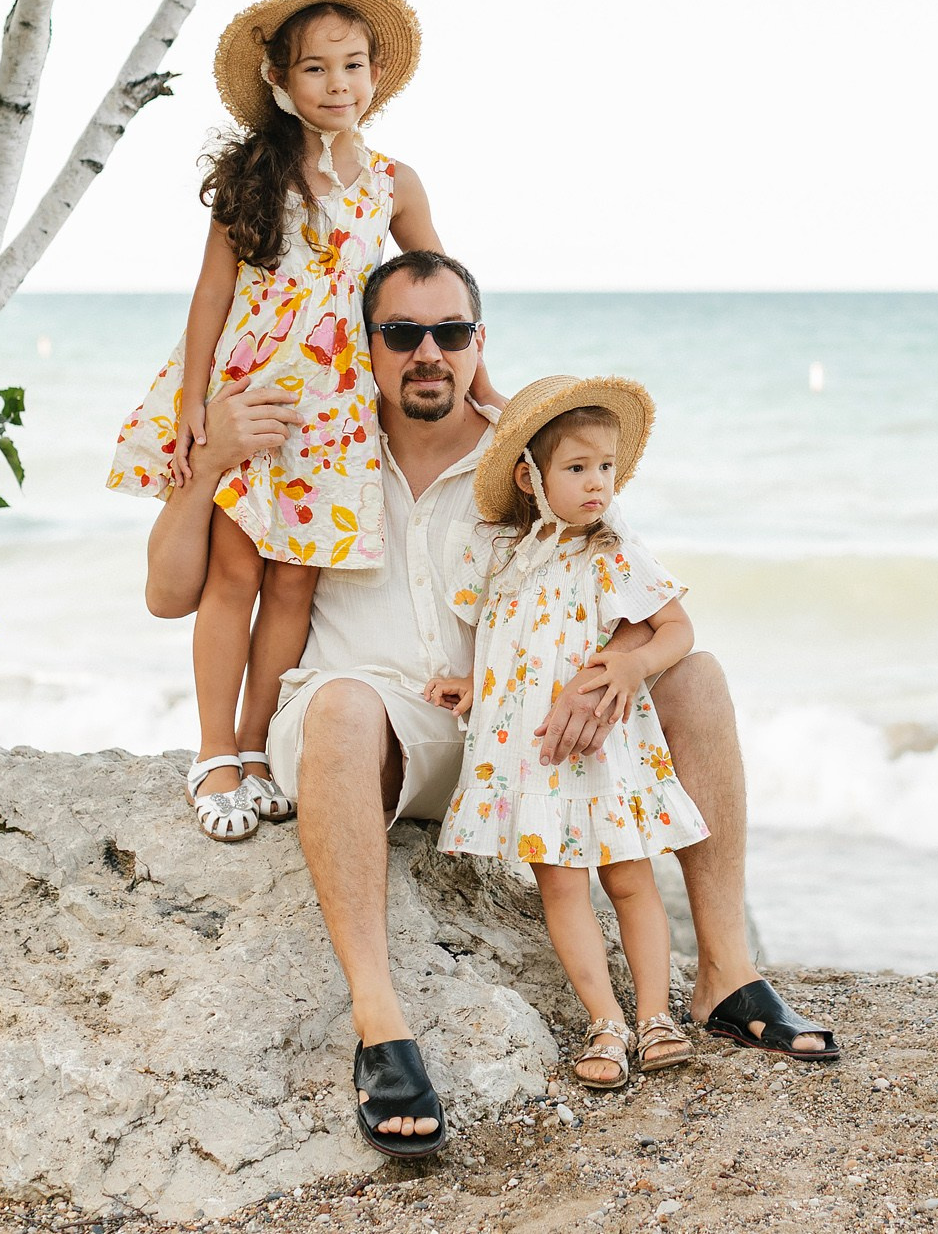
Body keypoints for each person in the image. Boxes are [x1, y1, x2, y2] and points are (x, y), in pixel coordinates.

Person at [147, 250, 840, 1159]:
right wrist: (211, 461)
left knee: (697, 673)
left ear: (480, 341)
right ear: (368, 346)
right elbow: (169, 595)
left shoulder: (532, 459)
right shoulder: (317, 447)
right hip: (366, 727)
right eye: (403, 333)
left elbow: (628, 587)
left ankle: (725, 975)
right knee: (348, 703)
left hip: (508, 732)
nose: (428, 352)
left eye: (451, 331)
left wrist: (616, 665)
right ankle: (380, 1026)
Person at [107, 0, 458, 844]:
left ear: (376, 72)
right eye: (315, 69)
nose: (337, 84)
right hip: (257, 395)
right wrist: (196, 404)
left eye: (352, 66)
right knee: (236, 575)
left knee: (296, 586)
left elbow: (438, 292)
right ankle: (216, 749)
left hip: (338, 413)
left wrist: (484, 392)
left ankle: (261, 746)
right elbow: (211, 293)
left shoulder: (393, 182)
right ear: (280, 79)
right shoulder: (256, 174)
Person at [423, 376, 707, 1093]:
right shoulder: (506, 559)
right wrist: (473, 686)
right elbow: (506, 645)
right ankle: (604, 1018)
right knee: (562, 888)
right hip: (537, 757)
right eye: (577, 468)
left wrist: (634, 661)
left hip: (605, 752)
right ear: (532, 476)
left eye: (606, 467)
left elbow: (678, 628)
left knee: (633, 880)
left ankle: (655, 1014)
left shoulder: (613, 550)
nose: (597, 484)